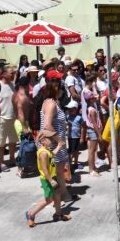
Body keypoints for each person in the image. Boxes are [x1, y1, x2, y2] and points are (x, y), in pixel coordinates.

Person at [41, 73, 77, 202]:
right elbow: (47, 124)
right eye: (61, 87)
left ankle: (64, 194)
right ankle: (52, 199)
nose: (63, 90)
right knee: (54, 170)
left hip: (56, 142)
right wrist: (59, 141)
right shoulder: (50, 103)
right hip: (53, 143)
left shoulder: (54, 103)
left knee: (60, 169)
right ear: (56, 88)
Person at [25, 130, 71, 227]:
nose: (52, 141)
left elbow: (52, 154)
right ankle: (31, 214)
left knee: (57, 193)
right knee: (49, 199)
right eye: (50, 139)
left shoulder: (47, 151)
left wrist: (59, 146)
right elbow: (44, 169)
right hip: (47, 179)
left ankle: (58, 215)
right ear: (43, 141)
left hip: (52, 176)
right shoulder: (43, 153)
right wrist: (51, 180)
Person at [0, 66, 18, 172]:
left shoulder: (12, 85)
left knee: (13, 140)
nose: (13, 75)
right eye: (11, 73)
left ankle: (12, 159)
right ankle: (2, 162)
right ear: (4, 74)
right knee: (1, 142)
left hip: (13, 118)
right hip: (3, 118)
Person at [82, 79, 102, 177]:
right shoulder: (92, 110)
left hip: (91, 131)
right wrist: (99, 135)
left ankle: (92, 167)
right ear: (91, 100)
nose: (96, 98)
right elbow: (94, 124)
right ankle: (91, 169)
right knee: (92, 151)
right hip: (93, 131)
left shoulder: (89, 108)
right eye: (94, 98)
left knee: (91, 151)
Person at [65, 100, 85, 174]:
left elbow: (83, 127)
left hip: (77, 136)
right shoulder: (67, 117)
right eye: (69, 109)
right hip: (71, 137)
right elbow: (66, 125)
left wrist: (82, 137)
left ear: (76, 109)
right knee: (71, 152)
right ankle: (70, 166)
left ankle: (76, 163)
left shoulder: (79, 118)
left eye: (72, 109)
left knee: (77, 150)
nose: (70, 110)